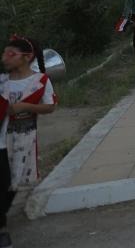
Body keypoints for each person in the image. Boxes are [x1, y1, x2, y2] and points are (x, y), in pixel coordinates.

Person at [0, 36, 57, 247]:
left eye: (11, 54)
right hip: (1, 140)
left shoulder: (40, 81)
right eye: (4, 53)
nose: (5, 58)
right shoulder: (2, 80)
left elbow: (50, 106)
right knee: (4, 181)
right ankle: (2, 227)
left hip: (22, 138)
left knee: (11, 183)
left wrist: (25, 107)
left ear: (27, 57)